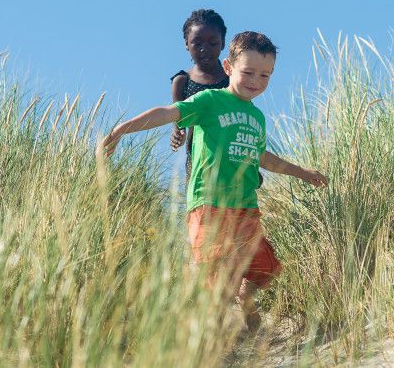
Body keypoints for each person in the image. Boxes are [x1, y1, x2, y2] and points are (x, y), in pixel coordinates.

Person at [98, 31, 328, 332]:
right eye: (248, 72)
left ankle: (245, 298)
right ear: (228, 68)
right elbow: (166, 113)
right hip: (208, 205)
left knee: (263, 267)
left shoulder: (256, 117)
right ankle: (214, 338)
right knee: (216, 273)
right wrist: (121, 130)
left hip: (246, 209)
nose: (256, 81)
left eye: (265, 75)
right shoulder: (210, 101)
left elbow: (264, 158)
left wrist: (304, 173)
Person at [170, 9, 229, 183]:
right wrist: (177, 135)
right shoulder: (182, 82)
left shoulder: (233, 79)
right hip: (198, 162)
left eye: (213, 43)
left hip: (233, 157)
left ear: (223, 43)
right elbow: (179, 122)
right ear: (186, 44)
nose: (205, 49)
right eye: (197, 43)